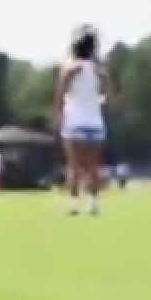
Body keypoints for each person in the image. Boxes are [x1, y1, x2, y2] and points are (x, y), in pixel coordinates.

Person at [54, 25, 110, 216]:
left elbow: (60, 93)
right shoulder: (98, 69)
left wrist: (59, 114)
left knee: (74, 166)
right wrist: (100, 102)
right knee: (93, 166)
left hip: (75, 121)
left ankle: (74, 205)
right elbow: (112, 92)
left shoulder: (71, 68)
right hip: (95, 122)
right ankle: (94, 204)